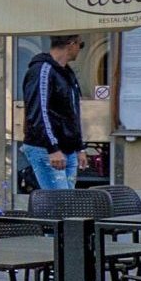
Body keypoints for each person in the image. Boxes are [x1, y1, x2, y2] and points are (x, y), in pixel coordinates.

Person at [22, 35, 85, 191]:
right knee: (60, 203)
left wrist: (79, 147)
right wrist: (52, 148)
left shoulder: (65, 72)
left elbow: (72, 113)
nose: (80, 49)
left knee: (66, 203)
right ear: (71, 44)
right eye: (81, 44)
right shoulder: (42, 70)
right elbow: (38, 112)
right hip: (47, 148)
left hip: (66, 148)